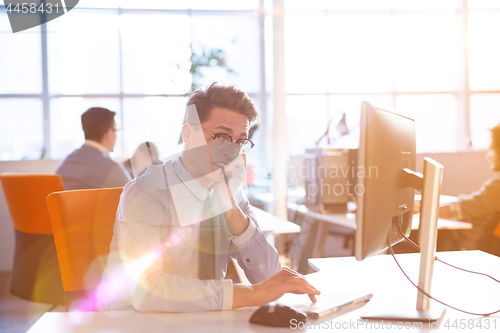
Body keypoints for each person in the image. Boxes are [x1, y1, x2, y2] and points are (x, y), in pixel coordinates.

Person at [96, 84, 320, 312]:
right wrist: (253, 294)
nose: (231, 152)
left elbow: (269, 274)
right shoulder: (147, 192)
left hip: (207, 321)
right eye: (221, 136)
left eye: (240, 142)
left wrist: (231, 207)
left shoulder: (228, 189)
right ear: (188, 134)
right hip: (134, 323)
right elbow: (147, 292)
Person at [416, 123, 500, 255]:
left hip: (478, 251)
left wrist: (422, 208)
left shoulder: (498, 186)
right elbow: (474, 203)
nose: (488, 156)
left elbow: (459, 210)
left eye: (492, 149)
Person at [55, 107, 131, 190]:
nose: (116, 135)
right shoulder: (111, 167)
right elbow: (135, 197)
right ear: (109, 133)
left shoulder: (66, 163)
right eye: (116, 131)